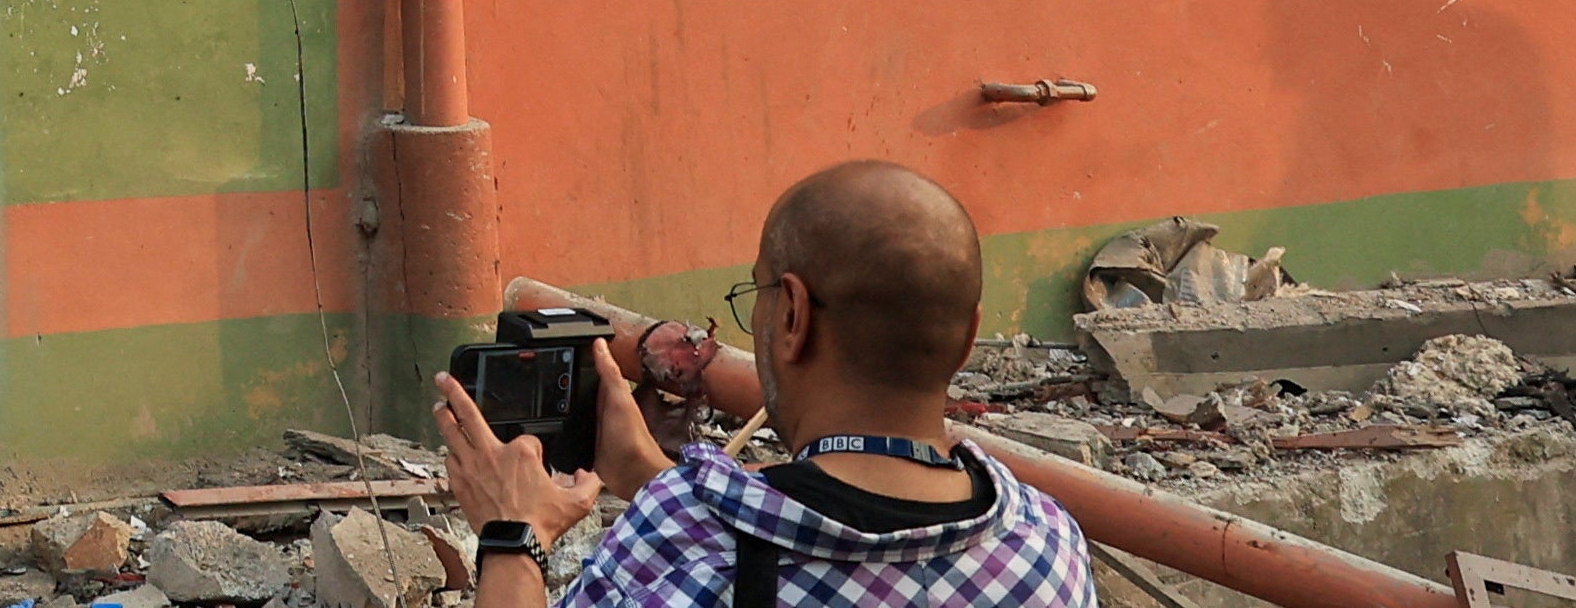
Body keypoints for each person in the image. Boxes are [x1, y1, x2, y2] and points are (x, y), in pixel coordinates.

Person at [436, 164, 1090, 608]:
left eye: (759, 291)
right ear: (970, 334)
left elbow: (728, 543)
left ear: (793, 315)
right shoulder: (1048, 548)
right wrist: (644, 474)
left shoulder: (687, 539)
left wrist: (513, 537)